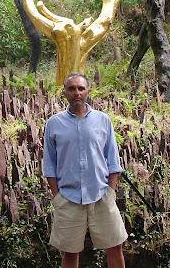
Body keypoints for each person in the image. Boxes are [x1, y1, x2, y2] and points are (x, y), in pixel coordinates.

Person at [43, 73, 127, 268]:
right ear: (64, 93)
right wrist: (57, 197)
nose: (77, 93)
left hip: (101, 195)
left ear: (88, 91)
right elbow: (49, 165)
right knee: (70, 252)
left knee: (115, 246)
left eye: (81, 88)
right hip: (69, 198)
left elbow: (113, 160)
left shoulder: (103, 120)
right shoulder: (54, 123)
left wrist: (111, 191)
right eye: (72, 89)